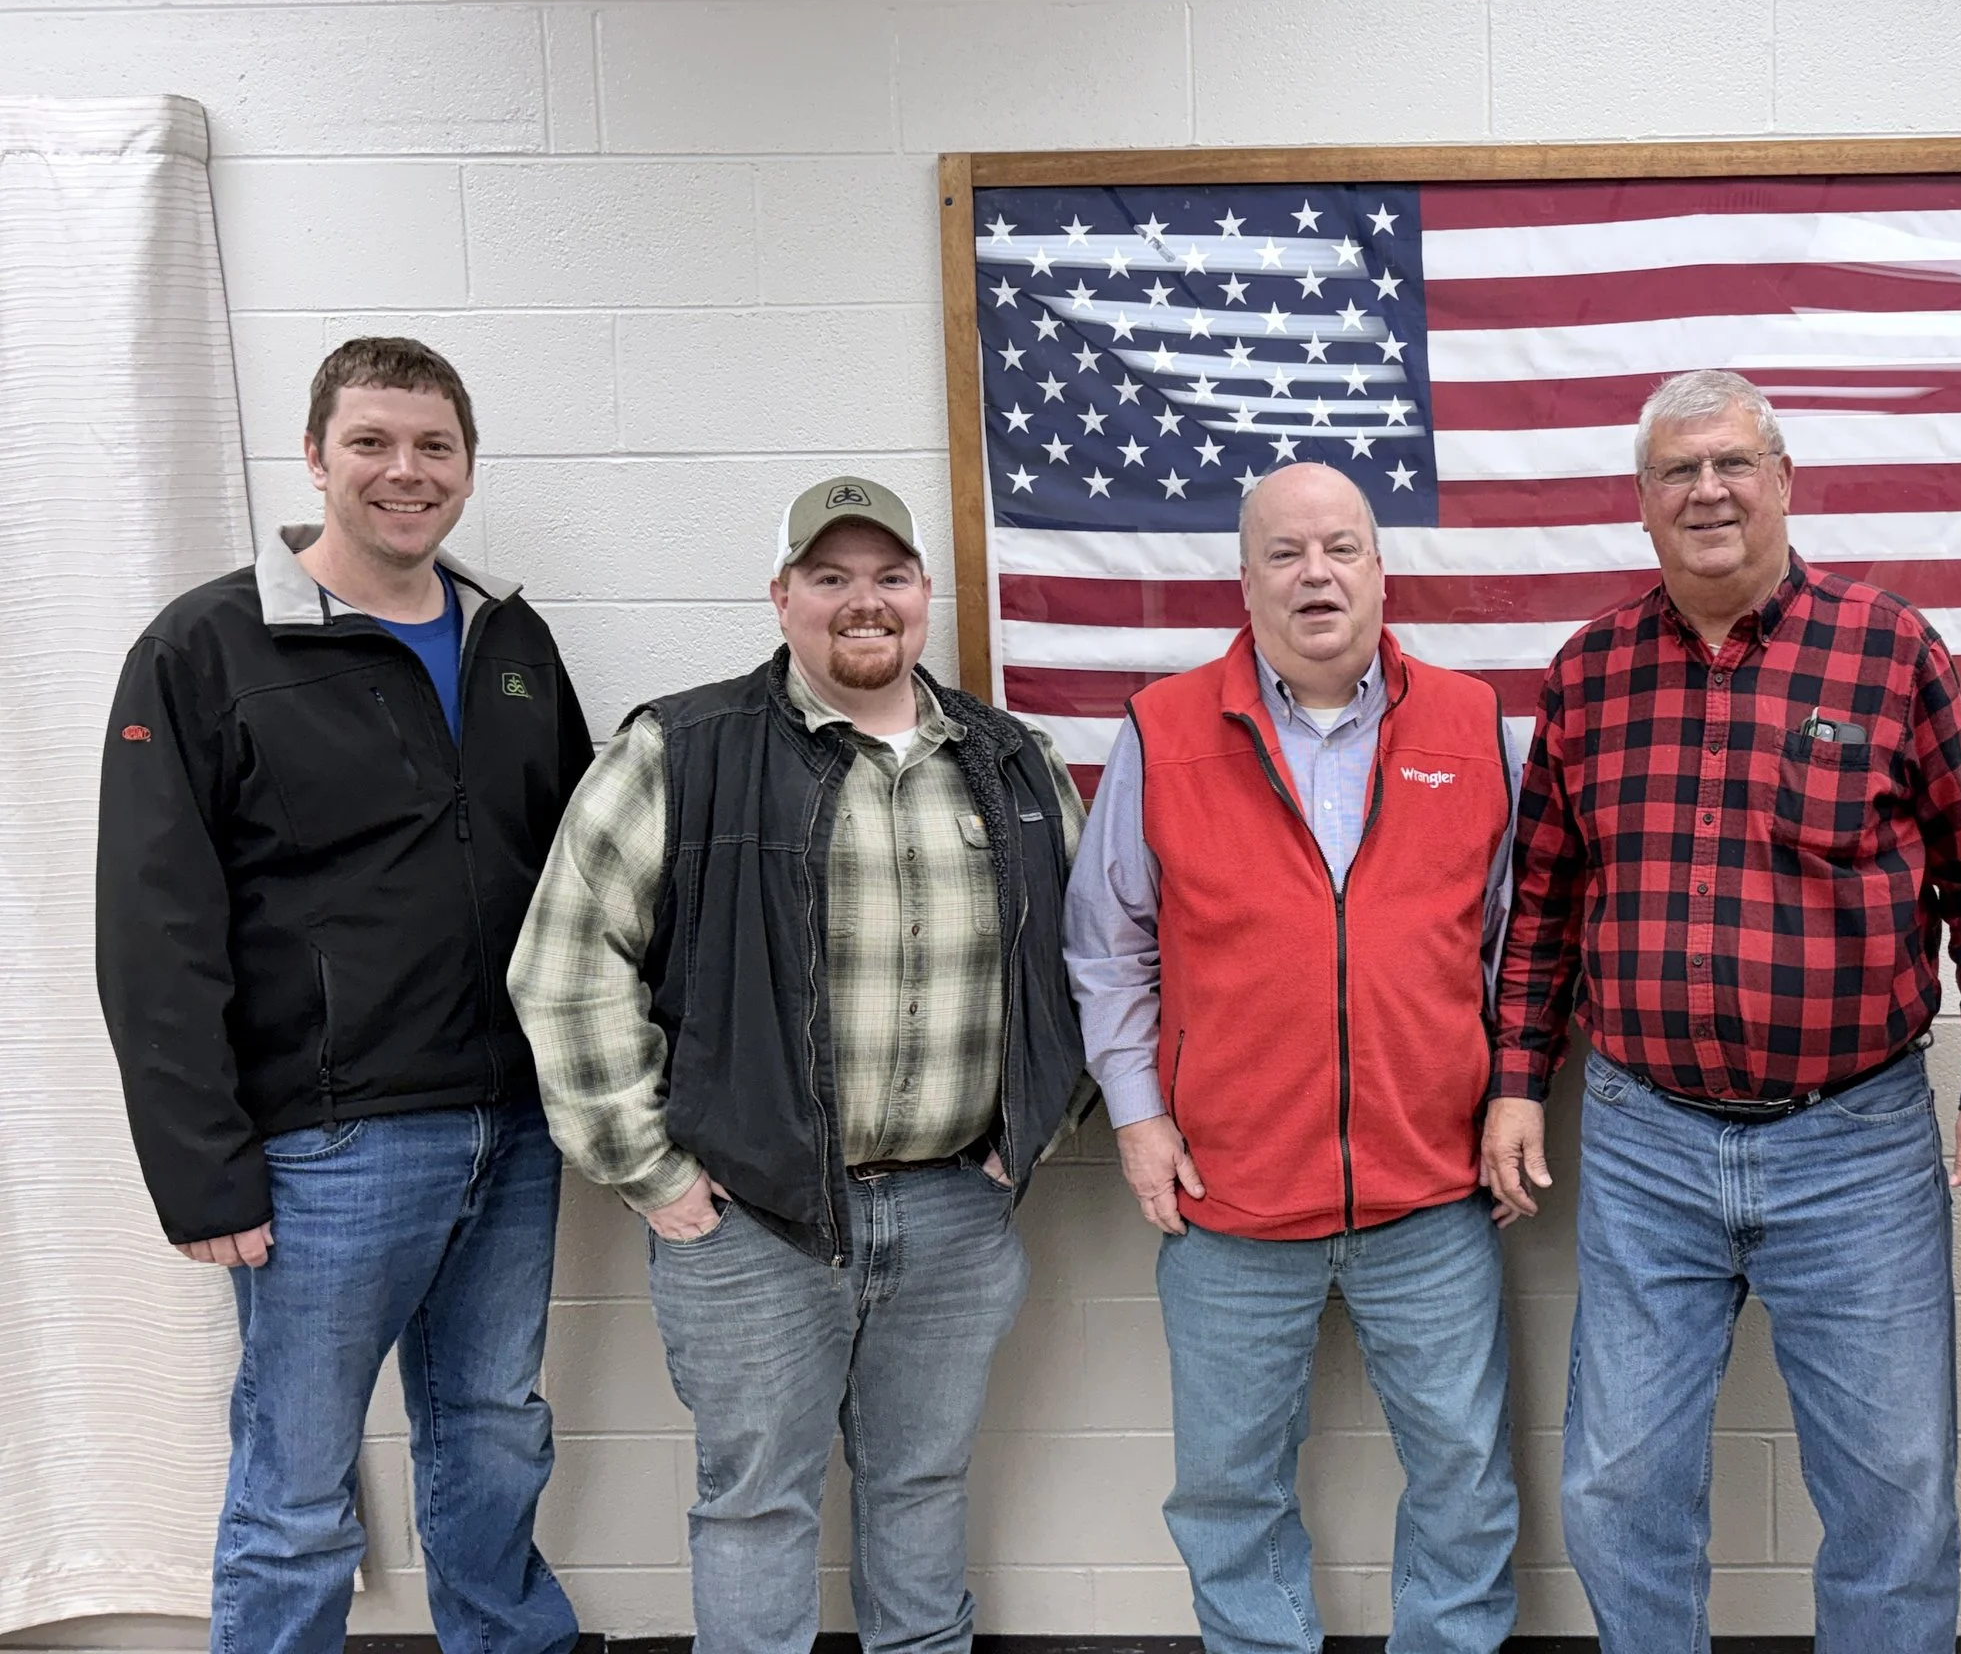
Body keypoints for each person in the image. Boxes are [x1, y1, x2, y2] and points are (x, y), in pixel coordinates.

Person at [1482, 369, 1961, 1651]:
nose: (1707, 490)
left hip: (1853, 1142)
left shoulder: (1889, 648)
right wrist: (1517, 1078)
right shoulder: (1587, 673)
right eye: (1676, 472)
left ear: (1784, 482)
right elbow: (1545, 904)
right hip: (1644, 1140)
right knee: (1619, 1485)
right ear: (1641, 505)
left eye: (1733, 463)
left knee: (1892, 1495)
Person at [506, 474, 1087, 1654]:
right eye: (829, 576)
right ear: (781, 597)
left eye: (887, 576)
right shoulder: (681, 748)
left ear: (926, 596)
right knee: (757, 1506)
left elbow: (1088, 966)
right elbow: (566, 966)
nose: (860, 601)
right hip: (751, 1223)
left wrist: (1030, 1131)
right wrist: (655, 1177)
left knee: (921, 1487)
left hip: (953, 1214)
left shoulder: (1013, 760)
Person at [95, 337, 588, 1654]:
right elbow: (155, 926)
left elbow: (582, 884)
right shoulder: (206, 649)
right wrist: (201, 1166)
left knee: (494, 1444)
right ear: (315, 457)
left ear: (469, 469)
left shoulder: (513, 643)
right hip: (329, 1145)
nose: (403, 471)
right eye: (371, 442)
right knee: (300, 1489)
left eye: (434, 446)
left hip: (515, 1128)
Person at [1063, 461, 1523, 1654]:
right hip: (1228, 1195)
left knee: (1464, 1485)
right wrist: (1135, 1111)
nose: (1316, 573)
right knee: (1227, 1491)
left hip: (1430, 1193)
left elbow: (1518, 939)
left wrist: (1503, 1094)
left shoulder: (1474, 725)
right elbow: (1108, 942)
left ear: (1379, 566)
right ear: (1245, 576)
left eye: (1342, 547)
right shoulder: (1162, 728)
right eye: (1285, 551)